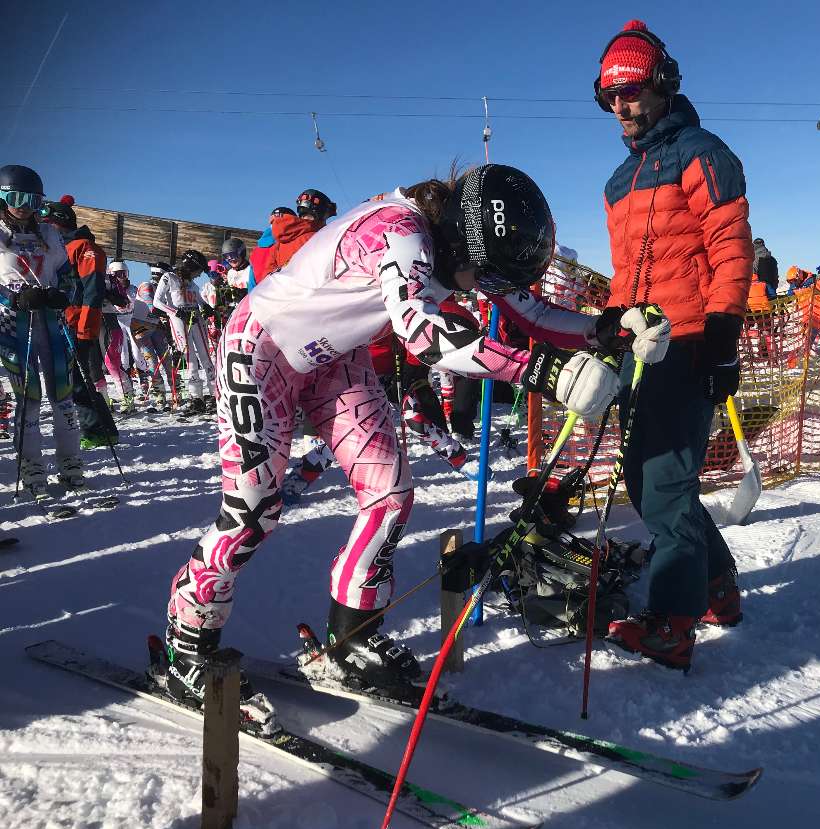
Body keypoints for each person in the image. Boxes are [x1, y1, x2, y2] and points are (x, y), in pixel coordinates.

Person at [163, 164, 670, 711]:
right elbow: (423, 332)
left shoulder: (454, 238)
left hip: (334, 360)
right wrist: (544, 372)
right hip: (260, 349)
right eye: (484, 276)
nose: (486, 290)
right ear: (460, 242)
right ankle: (187, 643)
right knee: (253, 508)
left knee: (390, 495)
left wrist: (609, 327)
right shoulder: (399, 230)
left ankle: (351, 638)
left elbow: (532, 312)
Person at [591, 20, 753, 671]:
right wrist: (609, 321)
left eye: (631, 92)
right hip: (641, 349)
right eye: (610, 97)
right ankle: (716, 586)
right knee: (650, 480)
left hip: (686, 345)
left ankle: (672, 620)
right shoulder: (618, 182)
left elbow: (730, 246)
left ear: (661, 86)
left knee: (662, 488)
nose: (622, 108)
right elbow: (626, 270)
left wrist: (721, 337)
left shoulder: (702, 152)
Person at [0, 165, 86, 499]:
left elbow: (68, 276)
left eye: (33, 201)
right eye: (16, 198)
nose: (24, 207)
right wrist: (12, 297)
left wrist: (62, 293)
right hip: (12, 325)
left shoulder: (49, 234)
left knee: (63, 396)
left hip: (51, 323)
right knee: (29, 398)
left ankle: (70, 461)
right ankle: (31, 464)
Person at [39, 195, 121, 451]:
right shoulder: (60, 248)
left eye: (47, 223)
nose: (43, 228)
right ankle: (103, 428)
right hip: (62, 321)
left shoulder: (85, 247)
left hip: (77, 325)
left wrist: (85, 329)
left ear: (58, 223)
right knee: (74, 379)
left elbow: (92, 292)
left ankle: (97, 430)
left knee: (75, 379)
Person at [154, 249, 215, 416]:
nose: (198, 275)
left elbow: (199, 299)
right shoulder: (169, 277)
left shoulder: (191, 282)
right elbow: (157, 302)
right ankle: (197, 398)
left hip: (195, 318)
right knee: (190, 358)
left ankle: (214, 395)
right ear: (190, 266)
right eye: (198, 271)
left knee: (205, 356)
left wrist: (207, 307)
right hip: (180, 320)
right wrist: (175, 312)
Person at [131, 262, 178, 410]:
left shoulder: (165, 291)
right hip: (140, 327)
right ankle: (160, 395)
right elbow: (153, 308)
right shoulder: (147, 286)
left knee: (167, 360)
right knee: (152, 363)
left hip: (155, 327)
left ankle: (177, 392)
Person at [101, 260, 137, 414]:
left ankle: (127, 398)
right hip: (96, 322)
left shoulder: (119, 286)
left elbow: (125, 302)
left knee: (113, 364)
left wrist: (110, 295)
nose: (121, 277)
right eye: (118, 274)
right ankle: (103, 399)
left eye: (124, 274)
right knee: (97, 365)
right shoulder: (95, 278)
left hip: (113, 323)